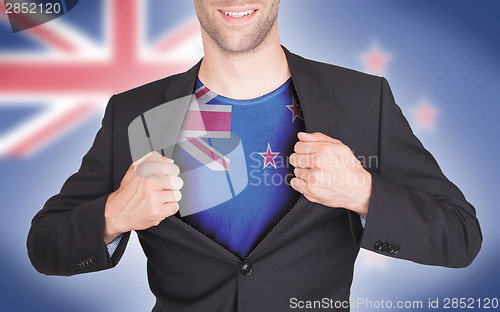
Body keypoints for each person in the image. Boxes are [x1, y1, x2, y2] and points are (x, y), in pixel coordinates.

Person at [27, 1, 482, 311]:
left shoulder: (363, 100)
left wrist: (363, 192)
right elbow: (45, 245)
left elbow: (460, 236)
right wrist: (114, 214)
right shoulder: (135, 113)